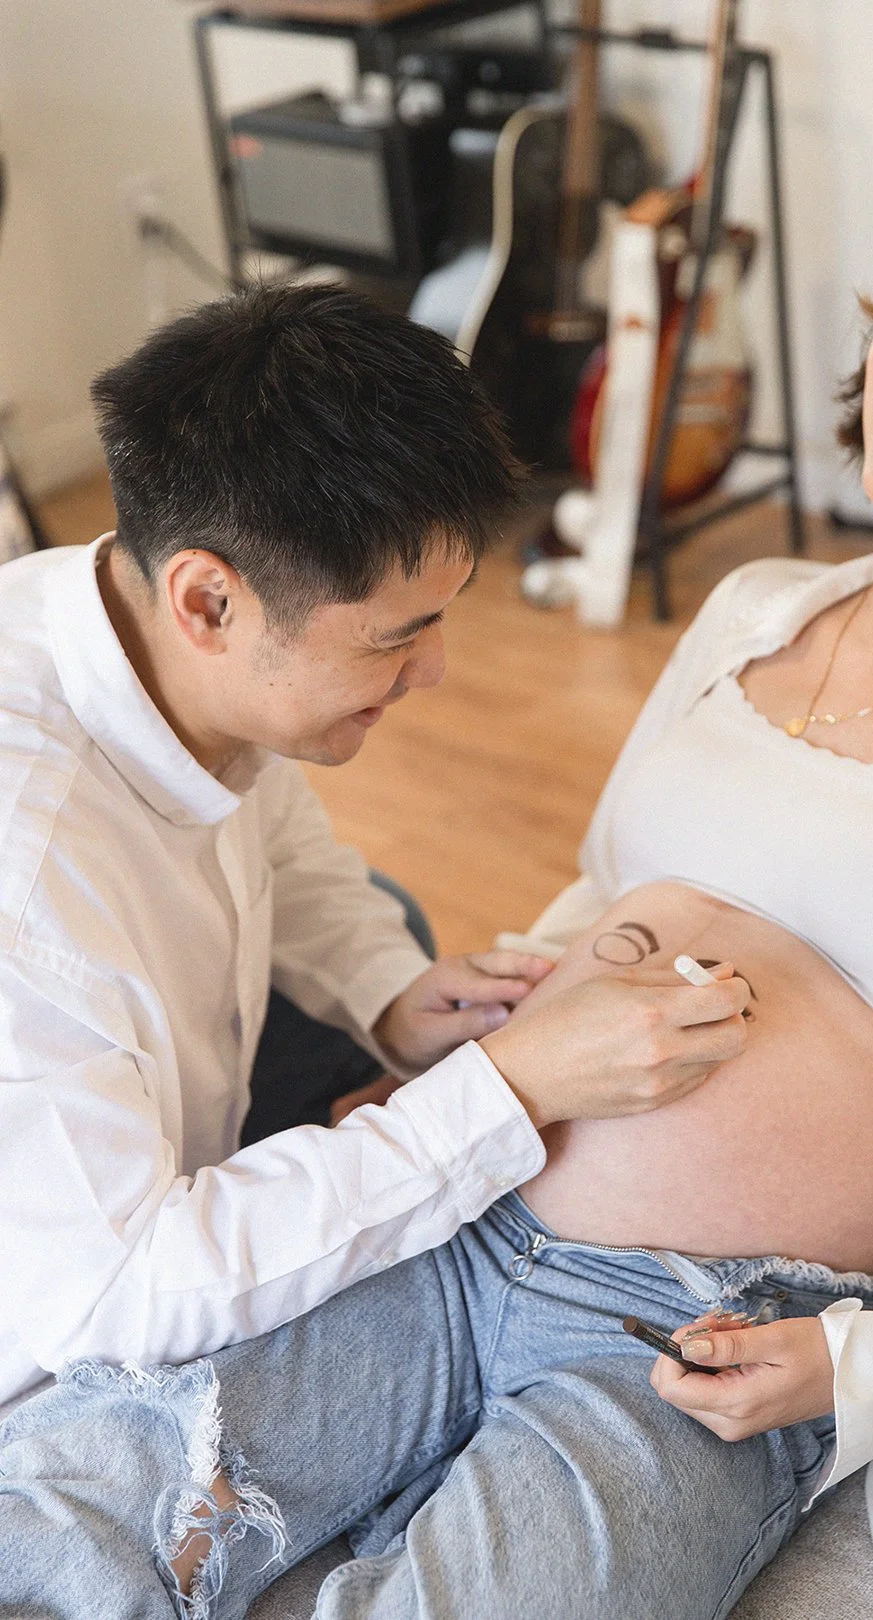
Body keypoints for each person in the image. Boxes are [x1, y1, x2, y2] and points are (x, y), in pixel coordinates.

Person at [5, 176, 873, 1620]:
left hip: (700, 1335)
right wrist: (466, 1094)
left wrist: (871, 1362)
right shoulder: (758, 604)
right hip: (462, 1202)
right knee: (75, 1503)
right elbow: (609, 884)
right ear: (208, 601)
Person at [0, 285, 750, 1414]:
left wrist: (386, 992)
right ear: (209, 602)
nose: (437, 669)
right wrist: (505, 1091)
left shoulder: (146, 626)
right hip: (61, 1314)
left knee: (385, 916)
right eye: (397, 636)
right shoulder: (28, 873)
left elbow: (275, 835)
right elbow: (115, 1294)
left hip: (146, 1109)